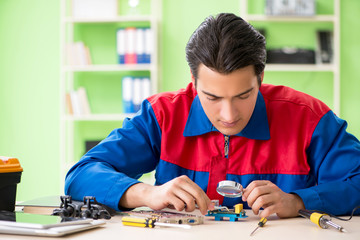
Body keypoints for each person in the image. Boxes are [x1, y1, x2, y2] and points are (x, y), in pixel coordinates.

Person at [65, 13, 360, 218]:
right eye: (212, 97)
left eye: (244, 95)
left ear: (261, 78)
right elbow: (80, 176)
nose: (229, 115)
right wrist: (144, 194)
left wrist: (297, 201)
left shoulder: (309, 119)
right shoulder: (162, 115)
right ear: (194, 83)